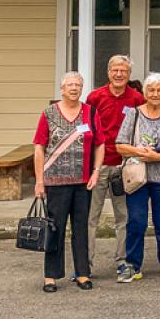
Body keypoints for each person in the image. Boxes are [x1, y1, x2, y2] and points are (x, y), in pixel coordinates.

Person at [33, 71, 102, 293]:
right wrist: (39, 181)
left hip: (83, 182)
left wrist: (96, 171)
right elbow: (39, 148)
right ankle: (50, 276)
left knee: (81, 228)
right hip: (55, 181)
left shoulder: (91, 113)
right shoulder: (48, 114)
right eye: (70, 85)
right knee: (55, 228)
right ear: (62, 89)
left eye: (78, 85)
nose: (74, 88)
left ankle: (82, 273)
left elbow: (100, 144)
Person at [115, 73, 160, 283]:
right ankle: (133, 265)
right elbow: (119, 145)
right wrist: (139, 151)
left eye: (159, 90)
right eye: (151, 90)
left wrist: (159, 156)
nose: (155, 94)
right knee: (136, 221)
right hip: (138, 176)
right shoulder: (134, 114)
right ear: (144, 93)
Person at [84, 55, 144, 280]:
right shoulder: (95, 97)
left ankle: (122, 261)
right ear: (108, 72)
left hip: (125, 167)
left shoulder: (136, 98)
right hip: (98, 166)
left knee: (124, 217)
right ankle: (85, 264)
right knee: (91, 217)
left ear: (129, 75)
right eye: (115, 70)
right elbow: (86, 128)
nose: (119, 75)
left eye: (124, 71)